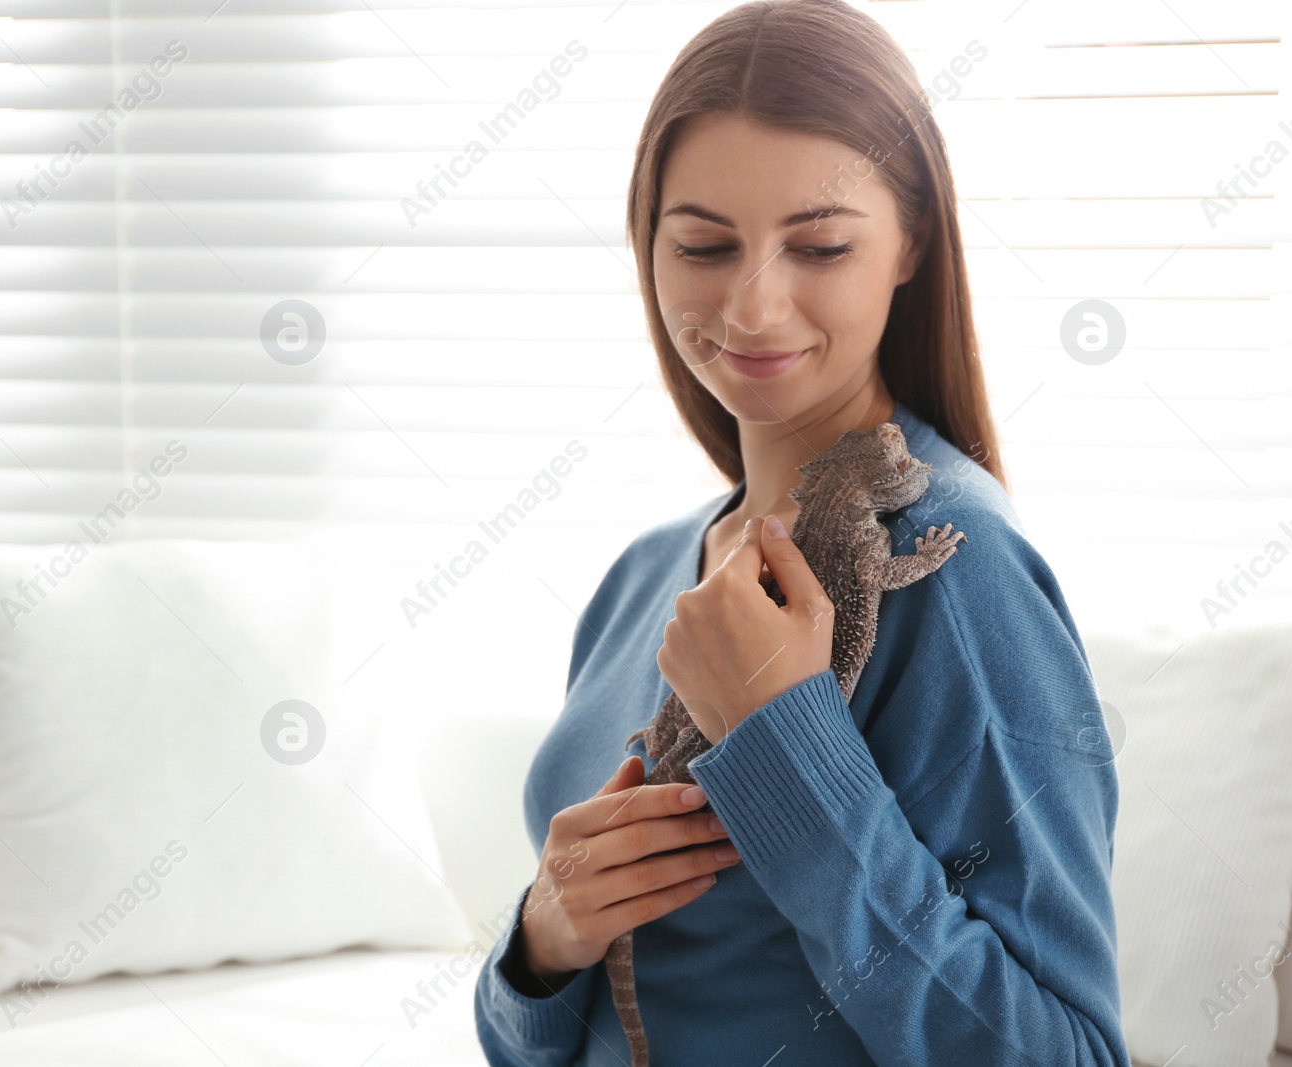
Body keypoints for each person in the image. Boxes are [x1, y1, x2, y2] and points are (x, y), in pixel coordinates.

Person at [471, 1, 1128, 1064]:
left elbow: (1062, 1052)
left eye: (818, 245)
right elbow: (541, 1035)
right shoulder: (643, 573)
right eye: (700, 244)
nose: (753, 309)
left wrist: (786, 741)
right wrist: (540, 946)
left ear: (910, 239)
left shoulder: (961, 568)